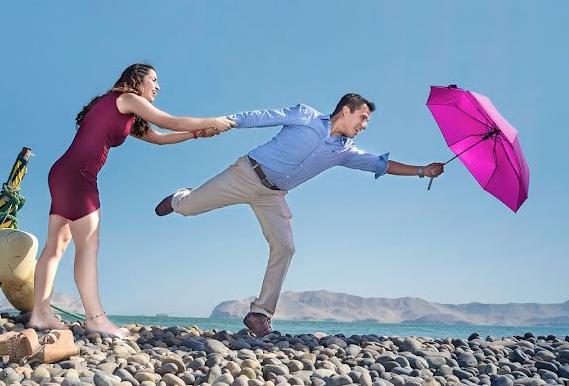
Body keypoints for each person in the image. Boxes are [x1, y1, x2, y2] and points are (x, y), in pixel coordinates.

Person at [154, 93, 444, 337]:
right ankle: (180, 198)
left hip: (273, 195)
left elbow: (379, 164)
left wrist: (421, 171)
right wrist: (230, 121)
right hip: (246, 174)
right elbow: (263, 116)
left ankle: (259, 314)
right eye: (363, 118)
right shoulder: (305, 116)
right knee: (190, 207)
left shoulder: (345, 151)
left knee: (286, 247)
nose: (365, 125)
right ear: (346, 110)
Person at [28, 63, 236, 338]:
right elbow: (170, 121)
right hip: (79, 175)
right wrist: (214, 121)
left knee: (57, 244)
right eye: (154, 79)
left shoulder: (123, 110)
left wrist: (197, 134)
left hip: (62, 172)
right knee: (87, 247)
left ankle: (40, 314)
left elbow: (161, 139)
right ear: (137, 80)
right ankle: (96, 319)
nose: (158, 86)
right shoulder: (126, 99)